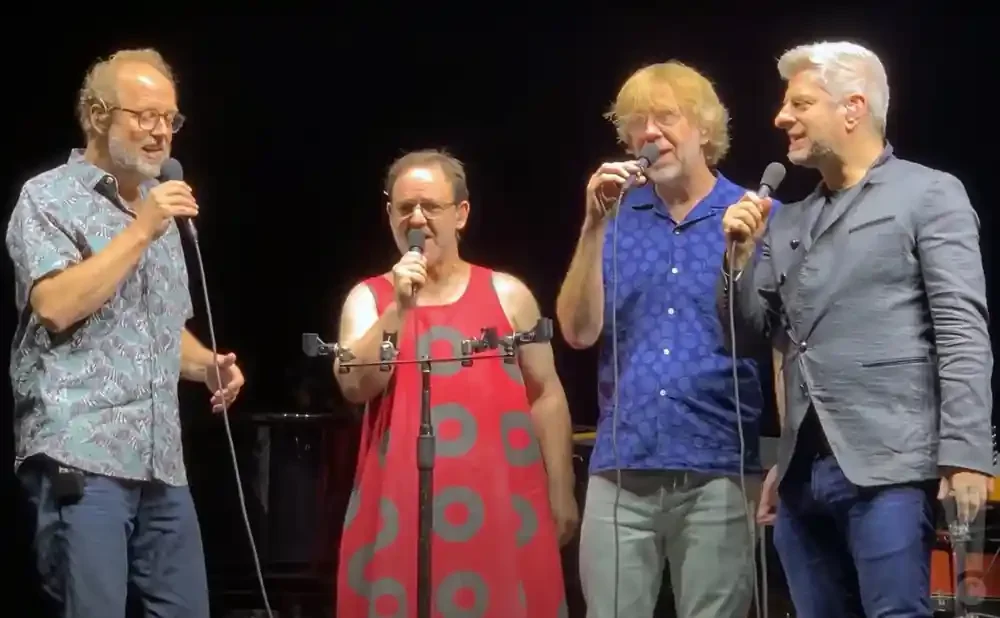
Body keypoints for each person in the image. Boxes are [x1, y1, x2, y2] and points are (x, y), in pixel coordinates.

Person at [719, 40, 993, 618]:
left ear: (853, 108)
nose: (781, 117)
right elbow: (748, 336)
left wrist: (966, 454)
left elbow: (961, 331)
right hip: (802, 479)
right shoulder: (788, 220)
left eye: (800, 103)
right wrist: (737, 262)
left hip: (890, 466)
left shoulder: (928, 193)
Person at [6, 48, 245, 618]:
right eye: (145, 115)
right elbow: (56, 306)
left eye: (170, 118)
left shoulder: (159, 212)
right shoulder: (49, 197)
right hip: (81, 454)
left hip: (161, 461)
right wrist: (142, 228)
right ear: (97, 115)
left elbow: (161, 330)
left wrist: (207, 364)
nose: (161, 132)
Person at [556, 61, 774, 618]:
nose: (649, 133)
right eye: (637, 123)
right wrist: (592, 226)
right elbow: (577, 333)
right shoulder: (615, 219)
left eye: (666, 118)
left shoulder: (753, 215)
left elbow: (780, 341)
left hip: (719, 468)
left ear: (704, 128)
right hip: (621, 468)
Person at [333, 149, 577, 617]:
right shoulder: (368, 299)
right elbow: (355, 386)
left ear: (461, 214)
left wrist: (561, 489)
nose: (416, 219)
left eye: (430, 206)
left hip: (502, 505)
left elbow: (546, 394)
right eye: (405, 208)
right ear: (389, 214)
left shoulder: (508, 294)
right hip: (401, 508)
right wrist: (399, 308)